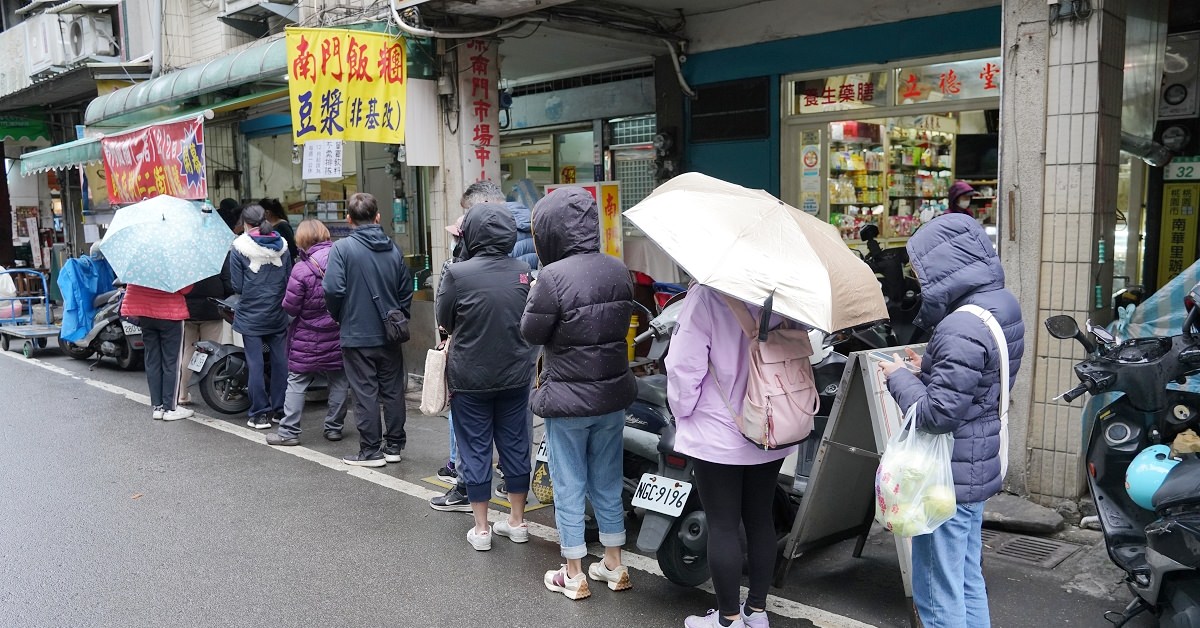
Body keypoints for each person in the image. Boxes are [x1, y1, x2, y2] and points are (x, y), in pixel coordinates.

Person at [879, 213, 1024, 628]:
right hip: (977, 463)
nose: (918, 280)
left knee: (935, 589)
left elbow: (936, 415)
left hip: (947, 475)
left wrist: (900, 378)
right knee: (964, 576)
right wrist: (931, 365)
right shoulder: (1000, 305)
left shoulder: (960, 325)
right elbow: (980, 378)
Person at [521, 187, 636, 600]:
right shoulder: (617, 269)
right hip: (611, 394)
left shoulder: (552, 277)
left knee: (569, 482)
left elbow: (531, 332)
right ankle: (613, 562)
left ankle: (573, 571)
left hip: (567, 398)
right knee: (607, 479)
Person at [667, 284, 797, 628]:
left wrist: (682, 411)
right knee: (759, 519)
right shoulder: (785, 291)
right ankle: (756, 612)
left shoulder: (707, 296)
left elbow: (683, 366)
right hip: (773, 424)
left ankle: (727, 620)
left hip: (717, 429)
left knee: (723, 524)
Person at [436, 202, 535, 551]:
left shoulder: (457, 273)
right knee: (515, 445)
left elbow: (444, 319)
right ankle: (518, 522)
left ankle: (481, 529)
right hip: (516, 373)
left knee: (475, 448)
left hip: (470, 376)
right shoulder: (523, 270)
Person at [323, 192, 412, 467]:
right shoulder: (393, 249)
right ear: (378, 217)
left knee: (365, 392)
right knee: (393, 390)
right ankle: (394, 445)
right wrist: (397, 317)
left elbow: (332, 289)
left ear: (349, 219)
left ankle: (371, 451)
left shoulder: (342, 249)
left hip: (356, 332)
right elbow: (405, 290)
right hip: (390, 333)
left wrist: (341, 316)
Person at [267, 220, 350, 446]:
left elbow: (291, 308)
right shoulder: (343, 260)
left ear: (301, 240)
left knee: (297, 381)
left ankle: (288, 432)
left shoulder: (301, 269)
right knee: (340, 379)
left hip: (306, 336)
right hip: (338, 332)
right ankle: (334, 428)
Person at [229, 204, 292, 430]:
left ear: (246, 223)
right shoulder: (282, 246)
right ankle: (280, 410)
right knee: (280, 362)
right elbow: (288, 279)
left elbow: (237, 285)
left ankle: (259, 414)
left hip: (251, 315)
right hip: (277, 313)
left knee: (255, 363)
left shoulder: (239, 248)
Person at [121, 282, 194, 422]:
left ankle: (157, 407)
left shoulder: (140, 263)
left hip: (146, 314)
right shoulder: (174, 264)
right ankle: (170, 408)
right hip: (171, 315)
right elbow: (185, 289)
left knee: (152, 361)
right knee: (172, 362)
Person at [177, 270, 231, 406]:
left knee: (188, 351)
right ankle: (212, 394)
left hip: (187, 309)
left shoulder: (181, 255)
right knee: (212, 353)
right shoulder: (218, 255)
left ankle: (182, 394)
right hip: (212, 309)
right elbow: (229, 284)